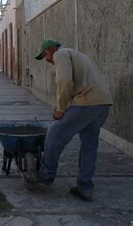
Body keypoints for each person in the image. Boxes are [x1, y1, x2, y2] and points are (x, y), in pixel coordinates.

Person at [26, 39, 113, 202]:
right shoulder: (77, 54)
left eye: (45, 54)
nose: (47, 59)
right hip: (103, 102)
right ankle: (85, 187)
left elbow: (64, 81)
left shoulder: (61, 54)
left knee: (55, 132)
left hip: (88, 101)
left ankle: (46, 174)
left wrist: (60, 109)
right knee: (89, 144)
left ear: (52, 49)